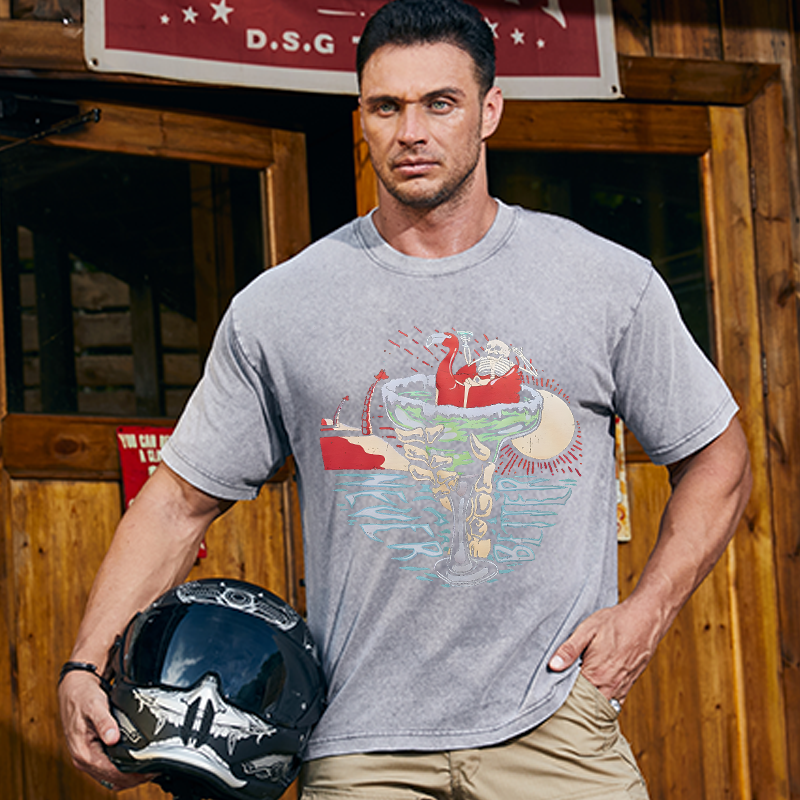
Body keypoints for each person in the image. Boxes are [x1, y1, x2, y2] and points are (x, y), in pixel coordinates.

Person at [59, 0, 752, 798]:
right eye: (386, 106)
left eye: (440, 103)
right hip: (361, 747)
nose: (411, 131)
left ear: (490, 110)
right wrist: (86, 662)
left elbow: (718, 457)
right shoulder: (283, 308)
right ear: (362, 117)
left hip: (554, 726)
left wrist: (649, 612)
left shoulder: (602, 283)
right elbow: (177, 503)